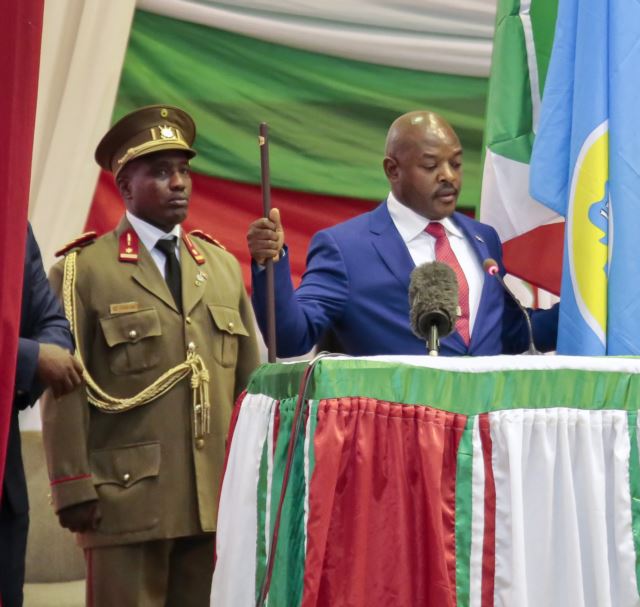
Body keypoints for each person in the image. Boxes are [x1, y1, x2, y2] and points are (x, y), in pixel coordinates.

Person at [41, 105, 260, 606]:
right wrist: (71, 484)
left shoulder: (222, 268)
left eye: (183, 170)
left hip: (212, 501)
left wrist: (250, 482)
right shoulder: (85, 272)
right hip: (123, 501)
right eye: (160, 172)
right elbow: (66, 388)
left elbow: (249, 385)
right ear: (125, 185)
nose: (178, 182)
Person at [247, 110, 556, 356]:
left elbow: (511, 334)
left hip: (482, 427)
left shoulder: (482, 239)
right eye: (431, 165)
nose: (448, 176)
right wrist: (269, 262)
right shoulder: (345, 248)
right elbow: (291, 339)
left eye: (456, 163)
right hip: (398, 428)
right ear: (393, 170)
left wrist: (589, 306)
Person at [1, 225, 81, 607]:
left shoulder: (10, 214)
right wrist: (29, 358)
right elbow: (39, 352)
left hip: (4, 489)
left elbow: (53, 324)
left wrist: (33, 360)